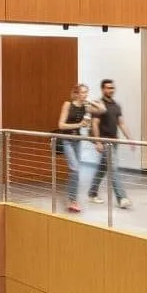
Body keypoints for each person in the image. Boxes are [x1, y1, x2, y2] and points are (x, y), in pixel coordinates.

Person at [88, 78, 131, 209]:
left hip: (114, 141)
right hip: (104, 141)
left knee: (102, 169)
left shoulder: (116, 105)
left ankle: (92, 193)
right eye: (107, 88)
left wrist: (130, 139)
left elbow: (121, 123)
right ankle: (122, 198)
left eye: (112, 88)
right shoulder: (98, 105)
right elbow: (94, 124)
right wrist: (98, 142)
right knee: (113, 168)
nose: (110, 90)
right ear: (102, 89)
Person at [58, 83, 94, 213]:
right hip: (67, 140)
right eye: (83, 92)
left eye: (86, 92)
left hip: (77, 141)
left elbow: (100, 110)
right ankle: (72, 200)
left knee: (75, 171)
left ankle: (73, 200)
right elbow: (61, 125)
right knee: (75, 168)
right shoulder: (68, 104)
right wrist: (78, 124)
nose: (85, 95)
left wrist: (86, 122)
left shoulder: (86, 107)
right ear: (77, 93)